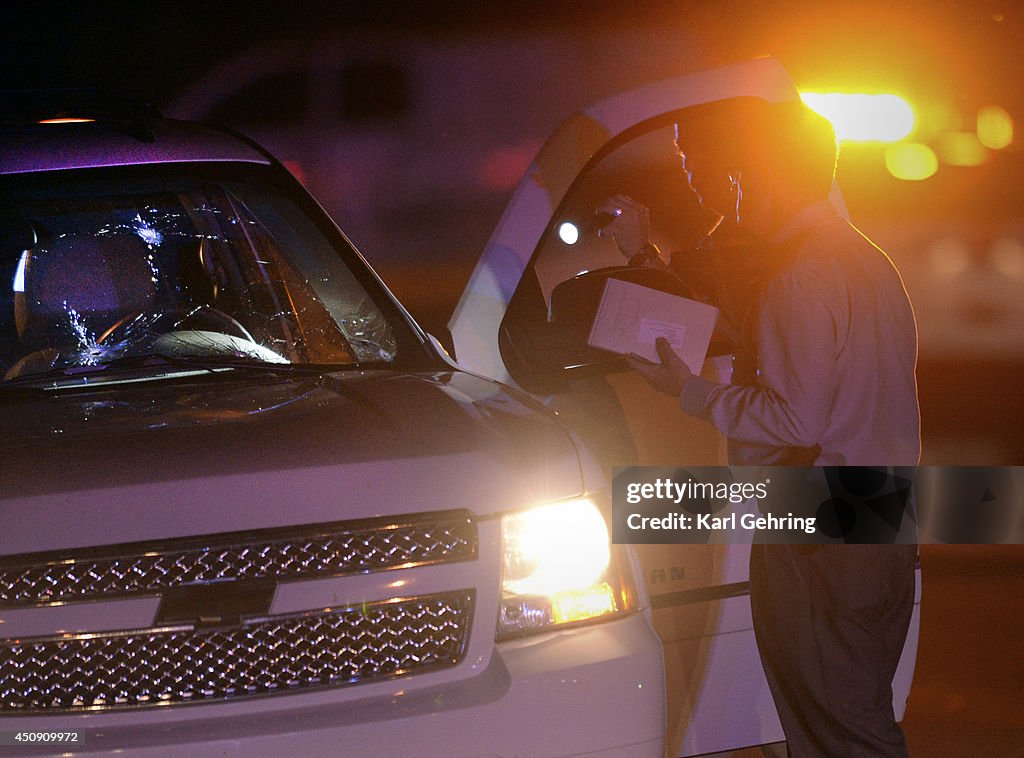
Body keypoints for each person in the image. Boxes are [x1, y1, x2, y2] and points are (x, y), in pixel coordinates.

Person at [599, 98, 921, 757]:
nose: (734, 195)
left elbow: (795, 418)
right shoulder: (870, 261)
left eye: (740, 178)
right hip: (883, 515)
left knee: (841, 729)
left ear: (768, 177)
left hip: (818, 535)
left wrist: (687, 391)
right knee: (854, 714)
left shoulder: (798, 277)